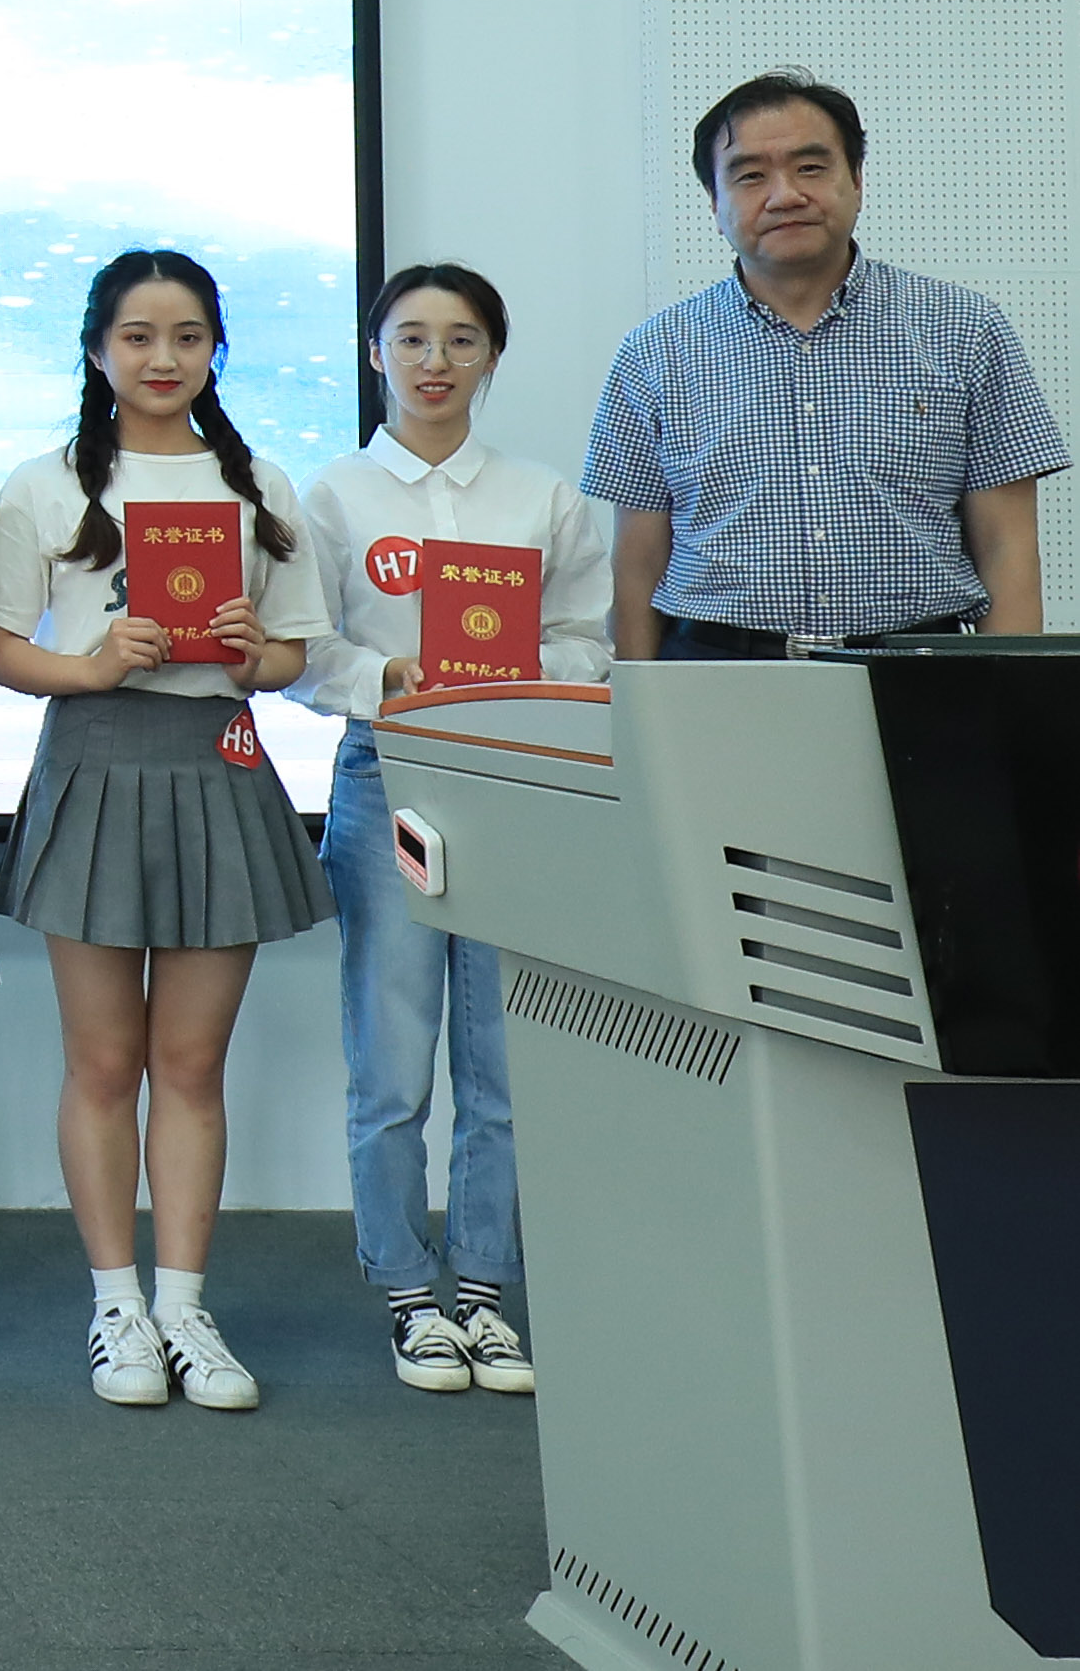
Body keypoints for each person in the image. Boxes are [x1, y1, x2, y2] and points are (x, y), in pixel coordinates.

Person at [0, 248, 334, 1415]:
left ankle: (185, 1305)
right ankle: (116, 1305)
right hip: (93, 760)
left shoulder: (259, 485)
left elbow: (293, 654)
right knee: (102, 1062)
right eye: (137, 335)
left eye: (187, 335)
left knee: (189, 1064)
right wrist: (91, 665)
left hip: (216, 764)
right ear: (98, 351)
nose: (163, 356)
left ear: (216, 349)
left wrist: (249, 652)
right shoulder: (44, 485)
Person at [304, 263, 606, 1400]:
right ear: (375, 352)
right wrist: (387, 675)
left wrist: (523, 670)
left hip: (514, 780)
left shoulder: (541, 496)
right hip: (387, 773)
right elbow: (301, 654)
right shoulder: (333, 496)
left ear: (491, 356)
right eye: (412, 338)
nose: (435, 361)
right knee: (390, 1059)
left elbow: (590, 641)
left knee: (502, 1064)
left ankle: (481, 1290)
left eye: (462, 339)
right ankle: (405, 1291)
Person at [587, 70, 1059, 656]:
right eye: (750, 176)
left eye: (810, 167)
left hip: (916, 667)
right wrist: (640, 703)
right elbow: (636, 567)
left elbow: (1008, 546)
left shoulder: (964, 328)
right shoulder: (654, 351)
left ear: (856, 180)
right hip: (717, 669)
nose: (785, 195)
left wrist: (1011, 695)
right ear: (714, 202)